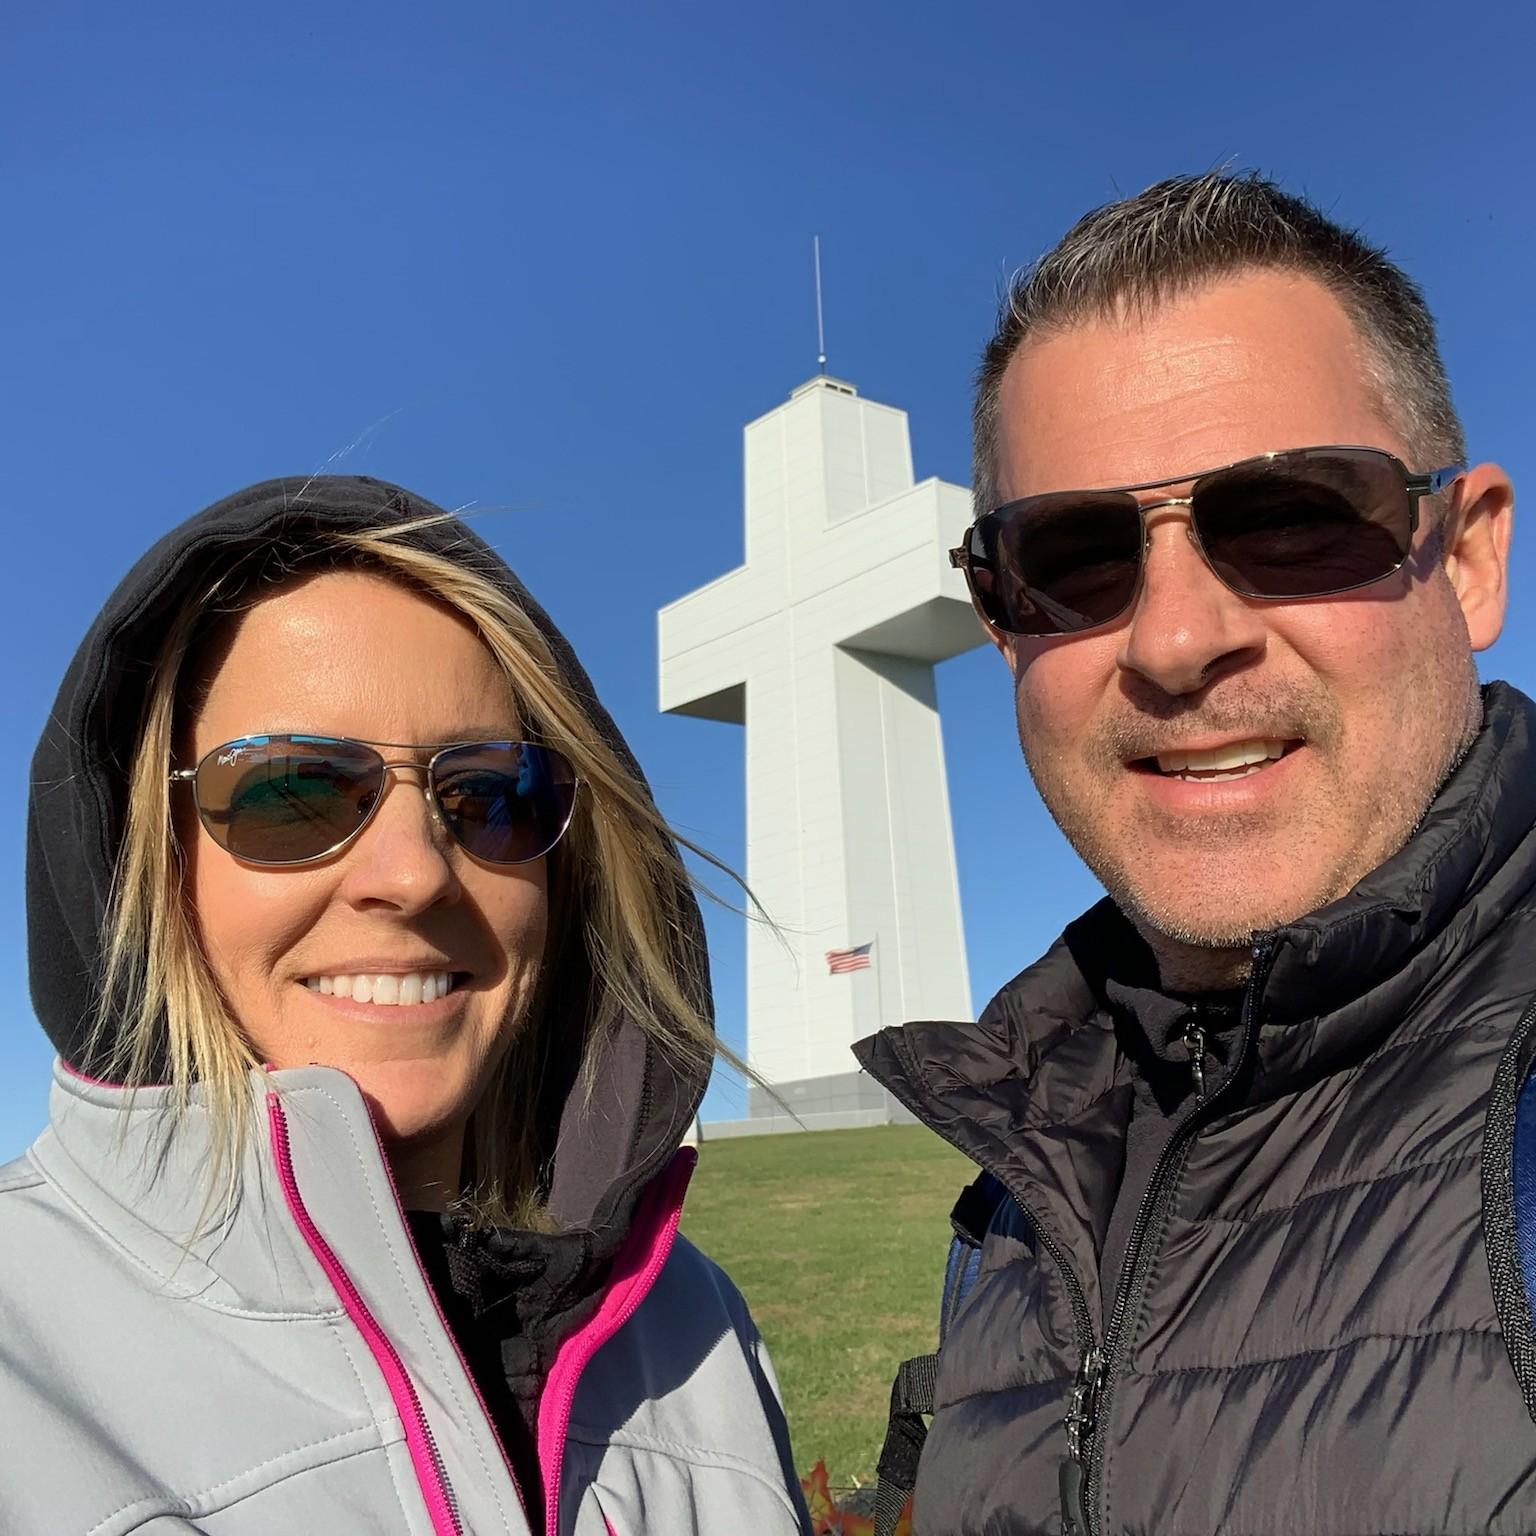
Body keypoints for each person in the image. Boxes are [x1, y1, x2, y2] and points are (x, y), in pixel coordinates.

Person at [856, 171, 1534, 1535]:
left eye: (1288, 516)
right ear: (1000, 625)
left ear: (1464, 560)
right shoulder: (1022, 1192)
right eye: (1075, 555)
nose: (1174, 641)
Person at [3, 476, 811, 1536]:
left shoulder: (691, 1328)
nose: (415, 873)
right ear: (141, 858)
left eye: (490, 793)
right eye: (291, 789)